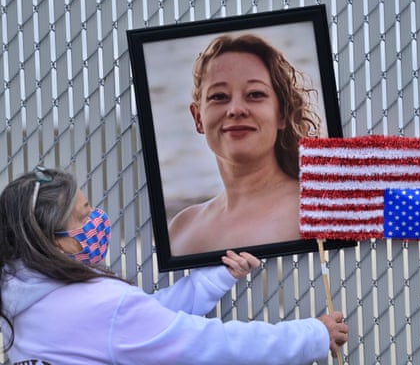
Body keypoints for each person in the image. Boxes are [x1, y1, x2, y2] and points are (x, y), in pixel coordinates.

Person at [0, 166, 348, 364]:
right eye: (84, 214)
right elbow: (211, 343)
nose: (97, 219)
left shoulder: (23, 294)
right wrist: (312, 335)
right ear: (51, 239)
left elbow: (142, 319)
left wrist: (214, 279)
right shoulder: (100, 305)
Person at [169, 33, 325, 255]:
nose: (235, 110)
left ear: (281, 113)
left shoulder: (318, 209)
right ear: (198, 118)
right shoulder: (181, 230)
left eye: (255, 94)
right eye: (219, 96)